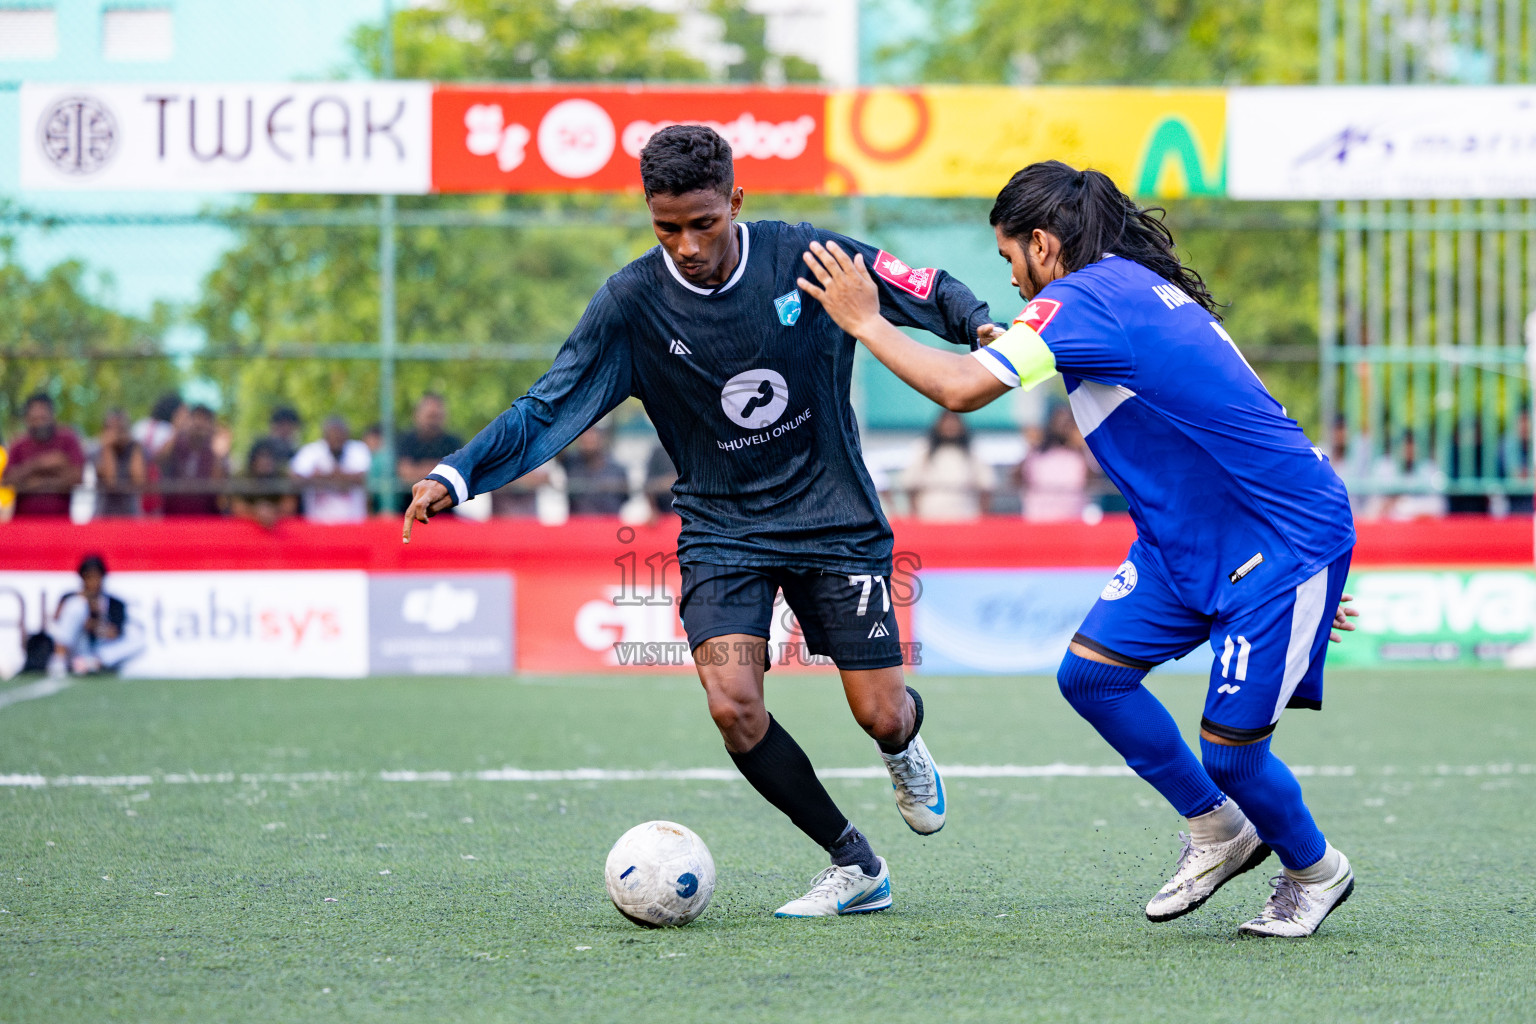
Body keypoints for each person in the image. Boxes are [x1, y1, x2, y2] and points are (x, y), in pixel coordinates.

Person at [403, 124, 998, 918]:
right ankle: (855, 862)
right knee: (732, 704)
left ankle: (904, 741)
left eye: (703, 223)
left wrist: (981, 326)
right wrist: (458, 471)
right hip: (723, 531)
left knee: (878, 711)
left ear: (736, 202)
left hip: (835, 520)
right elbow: (550, 402)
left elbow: (916, 282)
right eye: (666, 227)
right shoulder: (632, 303)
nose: (685, 244)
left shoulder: (804, 257)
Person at [799, 160, 1361, 938]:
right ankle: (1218, 829)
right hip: (1198, 540)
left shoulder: (1087, 299)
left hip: (1276, 541)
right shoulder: (1120, 290)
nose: (1016, 281)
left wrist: (866, 320)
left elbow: (962, 388)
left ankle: (1315, 869)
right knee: (1092, 677)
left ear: (1041, 243)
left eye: (1010, 261)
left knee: (1233, 755)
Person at [49, 554, 144, 676]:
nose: (93, 582)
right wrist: (83, 607)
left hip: (98, 650)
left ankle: (91, 664)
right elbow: (57, 622)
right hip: (76, 646)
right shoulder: (71, 598)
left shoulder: (115, 603)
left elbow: (114, 634)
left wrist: (94, 623)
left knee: (138, 641)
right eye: (89, 577)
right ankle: (59, 660)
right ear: (82, 578)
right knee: (76, 606)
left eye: (96, 577)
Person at [898, 410, 995, 521]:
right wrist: (915, 517)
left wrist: (982, 518)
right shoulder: (923, 449)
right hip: (929, 517)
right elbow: (910, 486)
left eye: (954, 422)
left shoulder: (973, 451)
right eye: (946, 422)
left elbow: (986, 487)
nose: (950, 426)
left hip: (966, 517)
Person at [2, 393, 85, 518]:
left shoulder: (68, 440)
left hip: (60, 522)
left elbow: (77, 477)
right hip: (23, 523)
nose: (40, 424)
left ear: (52, 416)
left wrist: (33, 483)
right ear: (27, 419)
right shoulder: (18, 445)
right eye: (35, 419)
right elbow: (7, 480)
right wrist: (40, 465)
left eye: (43, 418)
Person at [291, 416, 372, 524]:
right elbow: (295, 477)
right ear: (325, 436)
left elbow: (362, 478)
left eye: (340, 436)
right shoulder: (311, 451)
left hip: (353, 522)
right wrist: (341, 478)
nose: (336, 439)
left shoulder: (358, 449)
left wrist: (320, 477)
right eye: (333, 435)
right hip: (318, 523)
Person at [1017, 403, 1089, 522]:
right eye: (1060, 422)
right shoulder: (1037, 452)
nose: (1063, 427)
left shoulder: (1079, 454)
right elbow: (1017, 478)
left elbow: (1092, 480)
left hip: (1072, 519)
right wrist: (1030, 446)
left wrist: (1081, 446)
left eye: (1067, 423)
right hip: (1039, 519)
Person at [157, 404, 226, 516]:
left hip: (205, 519)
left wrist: (217, 450)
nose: (199, 424)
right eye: (196, 418)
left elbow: (219, 492)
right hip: (174, 517)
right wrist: (177, 430)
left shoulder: (214, 452)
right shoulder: (176, 444)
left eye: (205, 420)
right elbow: (159, 460)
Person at [395, 393, 463, 494]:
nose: (433, 422)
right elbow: (406, 473)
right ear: (417, 414)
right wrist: (442, 470)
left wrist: (419, 469)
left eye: (437, 416)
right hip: (409, 503)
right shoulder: (405, 440)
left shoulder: (453, 442)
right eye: (430, 416)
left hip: (446, 505)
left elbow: (459, 473)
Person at [561, 427, 630, 516]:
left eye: (591, 438)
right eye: (584, 440)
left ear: (601, 439)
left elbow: (625, 498)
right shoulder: (571, 463)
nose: (588, 443)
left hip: (609, 523)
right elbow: (557, 450)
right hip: (578, 524)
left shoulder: (617, 469)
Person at [230, 440, 298, 530]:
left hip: (278, 528)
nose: (265, 461)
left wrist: (272, 512)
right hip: (247, 529)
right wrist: (256, 512)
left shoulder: (282, 476)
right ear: (253, 460)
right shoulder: (242, 477)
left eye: (269, 458)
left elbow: (289, 506)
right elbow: (237, 507)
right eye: (261, 457)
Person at [94, 409, 147, 518]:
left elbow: (139, 481)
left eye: (121, 429)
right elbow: (110, 481)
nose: (117, 433)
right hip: (103, 517)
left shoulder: (137, 449)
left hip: (131, 517)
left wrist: (133, 446)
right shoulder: (96, 451)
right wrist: (108, 447)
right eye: (112, 428)